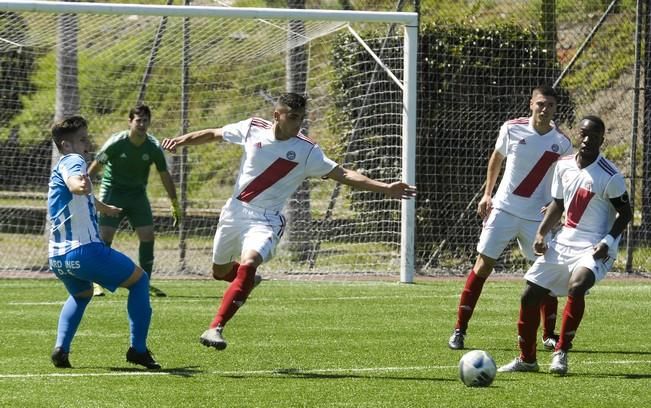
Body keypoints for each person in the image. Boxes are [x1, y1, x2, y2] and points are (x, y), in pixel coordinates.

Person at [160, 92, 417, 350]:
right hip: (234, 212)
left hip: (266, 220)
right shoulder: (252, 128)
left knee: (249, 262)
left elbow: (342, 173)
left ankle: (215, 327)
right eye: (293, 117)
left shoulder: (308, 151)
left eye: (301, 118)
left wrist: (385, 187)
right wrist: (180, 141)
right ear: (277, 115)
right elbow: (215, 133)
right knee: (220, 272)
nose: (298, 124)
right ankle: (245, 280)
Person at [498, 115, 632, 374]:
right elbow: (558, 204)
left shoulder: (610, 175)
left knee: (578, 285)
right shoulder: (563, 166)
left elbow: (625, 213)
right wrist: (541, 233)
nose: (587, 139)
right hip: (565, 240)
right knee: (529, 295)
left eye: (594, 135)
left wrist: (608, 240)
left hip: (594, 245)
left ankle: (561, 352)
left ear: (602, 140)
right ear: (577, 134)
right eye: (583, 133)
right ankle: (527, 360)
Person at [448, 86, 573, 350]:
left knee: (545, 272)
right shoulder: (511, 128)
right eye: (540, 103)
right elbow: (497, 158)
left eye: (550, 105)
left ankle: (548, 335)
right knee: (483, 265)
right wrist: (487, 194)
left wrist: (554, 205)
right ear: (531, 104)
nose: (544, 108)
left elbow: (564, 179)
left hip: (535, 220)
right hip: (503, 210)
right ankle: (460, 329)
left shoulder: (562, 143)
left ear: (554, 108)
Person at [48, 116, 160, 369]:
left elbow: (77, 194)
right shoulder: (72, 160)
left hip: (57, 257)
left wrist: (103, 207)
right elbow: (75, 184)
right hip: (84, 251)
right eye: (82, 139)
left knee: (81, 293)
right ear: (66, 145)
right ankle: (138, 350)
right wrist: (78, 184)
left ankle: (61, 349)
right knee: (139, 281)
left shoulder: (60, 166)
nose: (88, 144)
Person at [88, 105, 180, 297]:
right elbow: (96, 165)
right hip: (113, 193)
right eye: (138, 120)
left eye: (145, 120)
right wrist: (84, 192)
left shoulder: (153, 147)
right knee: (105, 238)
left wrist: (174, 202)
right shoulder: (116, 143)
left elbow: (164, 175)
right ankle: (97, 281)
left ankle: (144, 282)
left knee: (148, 237)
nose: (142, 124)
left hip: (137, 196)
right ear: (130, 122)